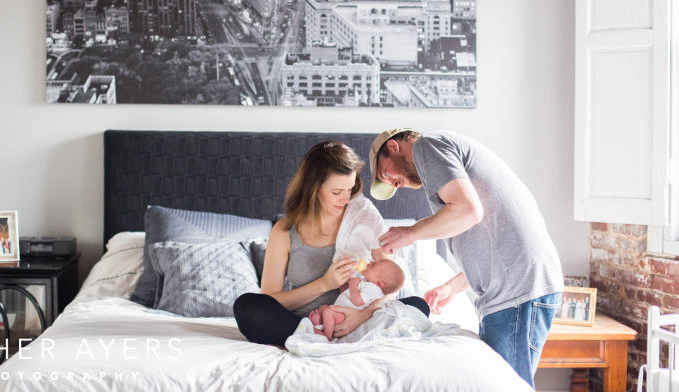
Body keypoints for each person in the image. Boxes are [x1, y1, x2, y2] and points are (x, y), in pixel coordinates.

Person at [369, 129, 563, 389]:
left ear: (393, 146)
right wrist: (453, 286)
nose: (393, 184)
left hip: (516, 292)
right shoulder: (444, 158)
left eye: (385, 174)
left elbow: (469, 210)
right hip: (516, 288)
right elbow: (492, 237)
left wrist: (411, 233)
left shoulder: (427, 146)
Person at [233, 141, 430, 346]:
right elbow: (270, 301)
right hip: (301, 323)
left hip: (359, 321)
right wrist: (324, 284)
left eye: (350, 189)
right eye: (336, 192)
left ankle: (340, 336)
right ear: (313, 189)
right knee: (247, 307)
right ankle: (313, 336)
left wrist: (362, 316)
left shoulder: (362, 216)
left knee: (418, 305)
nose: (345, 200)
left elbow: (390, 289)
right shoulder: (284, 231)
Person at [308, 259, 405, 340]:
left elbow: (357, 302)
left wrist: (353, 284)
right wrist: (346, 286)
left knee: (328, 312)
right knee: (324, 308)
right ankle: (320, 323)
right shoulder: (367, 282)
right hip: (340, 310)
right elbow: (349, 294)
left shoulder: (374, 290)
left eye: (373, 265)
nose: (370, 262)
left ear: (379, 283)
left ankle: (326, 336)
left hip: (346, 316)